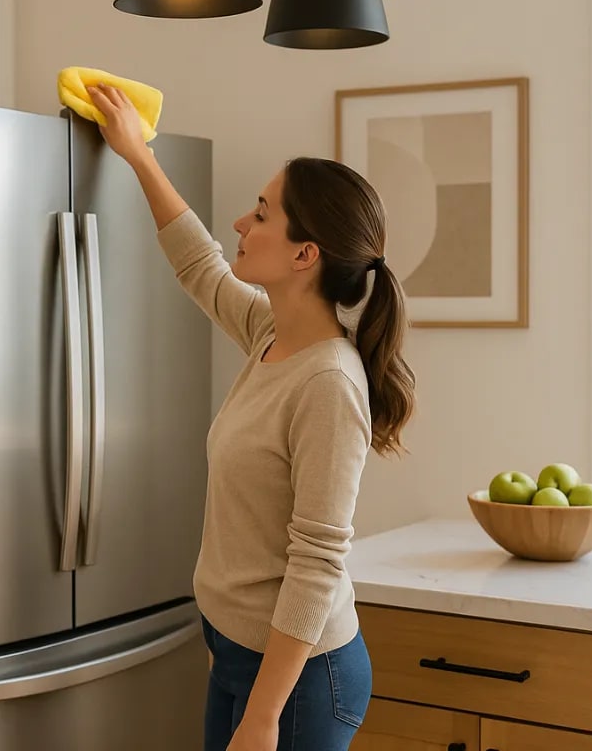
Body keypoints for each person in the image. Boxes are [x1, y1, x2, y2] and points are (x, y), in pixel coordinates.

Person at [88, 84, 417, 751]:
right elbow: (199, 264)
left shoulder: (328, 382)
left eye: (261, 214)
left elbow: (318, 562)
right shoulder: (274, 334)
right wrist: (138, 155)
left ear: (306, 255)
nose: (241, 223)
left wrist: (264, 715)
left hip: (299, 683)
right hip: (242, 656)